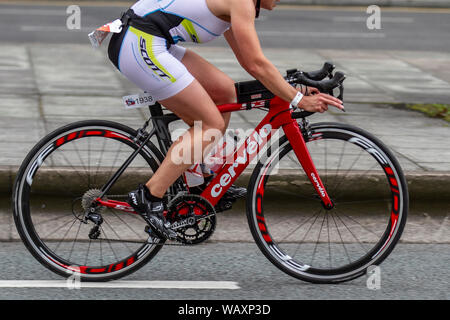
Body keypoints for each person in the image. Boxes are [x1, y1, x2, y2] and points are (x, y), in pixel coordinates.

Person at [107, 0, 344, 239]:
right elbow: (257, 64)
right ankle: (148, 196)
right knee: (211, 125)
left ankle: (198, 178)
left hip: (149, 39)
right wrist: (297, 100)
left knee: (224, 92)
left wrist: (292, 90)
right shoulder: (241, 2)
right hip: (137, 42)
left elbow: (248, 62)